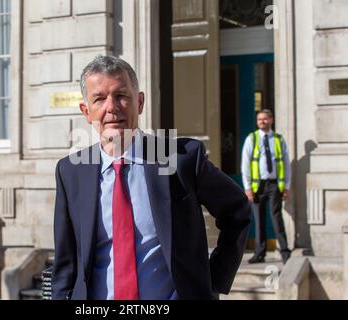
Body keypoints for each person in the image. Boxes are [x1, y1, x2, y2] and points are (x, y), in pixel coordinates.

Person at [52, 55, 251, 300]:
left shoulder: (181, 160)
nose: (112, 107)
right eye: (100, 99)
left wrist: (214, 278)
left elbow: (237, 210)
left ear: (140, 102)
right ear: (86, 111)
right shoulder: (70, 172)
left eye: (121, 95)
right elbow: (66, 262)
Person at [241, 109, 292, 264]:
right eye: (259, 119)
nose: (262, 121)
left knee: (277, 217)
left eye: (265, 119)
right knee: (259, 220)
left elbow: (286, 163)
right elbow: (245, 164)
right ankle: (259, 253)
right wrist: (247, 187)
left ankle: (284, 251)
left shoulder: (278, 139)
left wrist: (286, 186)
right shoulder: (252, 139)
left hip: (274, 185)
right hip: (257, 186)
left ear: (271, 120)